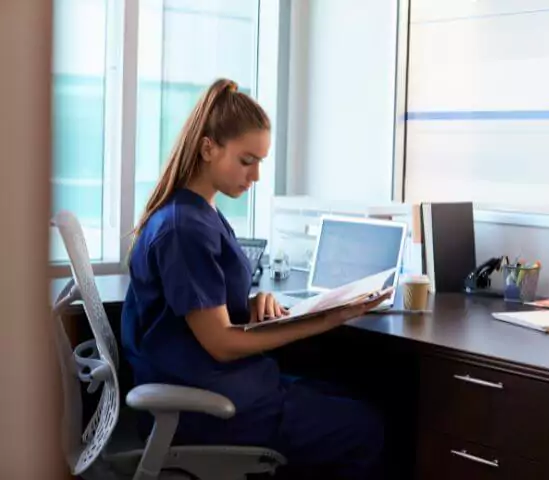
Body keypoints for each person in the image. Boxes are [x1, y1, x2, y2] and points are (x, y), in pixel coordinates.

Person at [121, 78, 389, 479]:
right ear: (209, 148)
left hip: (225, 388)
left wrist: (252, 304)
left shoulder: (200, 213)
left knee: (348, 396)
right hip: (208, 408)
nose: (257, 176)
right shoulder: (184, 229)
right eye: (247, 161)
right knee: (366, 428)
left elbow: (202, 311)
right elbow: (222, 343)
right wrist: (326, 318)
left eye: (260, 162)